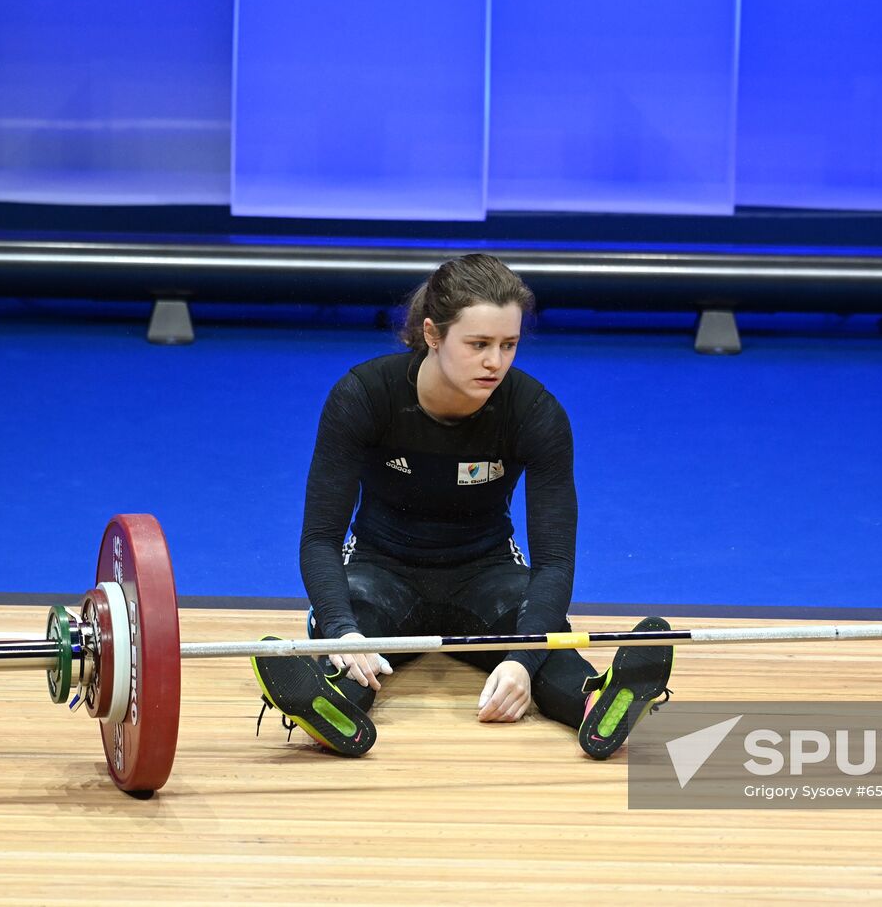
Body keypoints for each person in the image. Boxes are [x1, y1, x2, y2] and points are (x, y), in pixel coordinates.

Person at [251, 253, 673, 760]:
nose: (495, 362)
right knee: (354, 641)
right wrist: (341, 629)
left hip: (486, 572)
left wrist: (522, 660)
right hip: (377, 570)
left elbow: (555, 560)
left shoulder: (536, 413)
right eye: (478, 345)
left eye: (509, 345)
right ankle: (328, 699)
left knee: (542, 636)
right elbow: (320, 537)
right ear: (433, 334)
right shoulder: (363, 396)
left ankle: (600, 701)